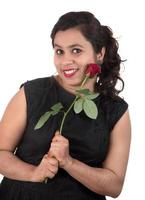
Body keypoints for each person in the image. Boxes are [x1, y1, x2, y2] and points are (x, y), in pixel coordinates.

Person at [0, 11, 131, 200]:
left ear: (100, 53)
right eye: (59, 51)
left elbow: (114, 186)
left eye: (76, 50)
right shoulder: (32, 93)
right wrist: (33, 173)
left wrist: (69, 163)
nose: (65, 61)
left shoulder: (115, 110)